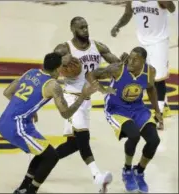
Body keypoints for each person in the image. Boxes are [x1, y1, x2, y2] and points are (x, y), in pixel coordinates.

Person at [0, 52, 98, 194]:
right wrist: (83, 96)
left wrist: (29, 109)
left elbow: (8, 92)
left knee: (43, 152)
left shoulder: (31, 72)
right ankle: (31, 191)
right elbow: (66, 114)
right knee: (51, 157)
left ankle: (23, 188)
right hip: (17, 126)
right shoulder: (53, 86)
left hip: (5, 120)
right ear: (58, 69)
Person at [53, 16, 122, 192]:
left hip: (86, 99)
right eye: (81, 28)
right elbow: (49, 67)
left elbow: (116, 65)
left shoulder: (98, 46)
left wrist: (123, 63)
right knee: (84, 138)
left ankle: (41, 161)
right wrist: (62, 63)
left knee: (74, 144)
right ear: (73, 30)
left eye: (86, 27)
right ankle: (97, 176)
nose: (85, 30)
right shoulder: (64, 48)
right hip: (71, 97)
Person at [91, 47, 162, 193]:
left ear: (143, 61)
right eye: (130, 57)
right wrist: (103, 90)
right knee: (134, 135)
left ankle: (139, 171)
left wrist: (157, 111)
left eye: (135, 59)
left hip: (138, 108)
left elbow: (151, 89)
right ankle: (127, 171)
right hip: (116, 109)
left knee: (154, 140)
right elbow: (91, 75)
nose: (130, 61)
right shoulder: (118, 69)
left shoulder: (150, 71)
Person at [111, 1, 178, 118]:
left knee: (158, 78)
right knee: (148, 76)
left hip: (159, 41)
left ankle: (159, 112)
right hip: (142, 41)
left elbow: (174, 10)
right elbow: (127, 14)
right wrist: (117, 25)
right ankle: (165, 105)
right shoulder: (132, 1)